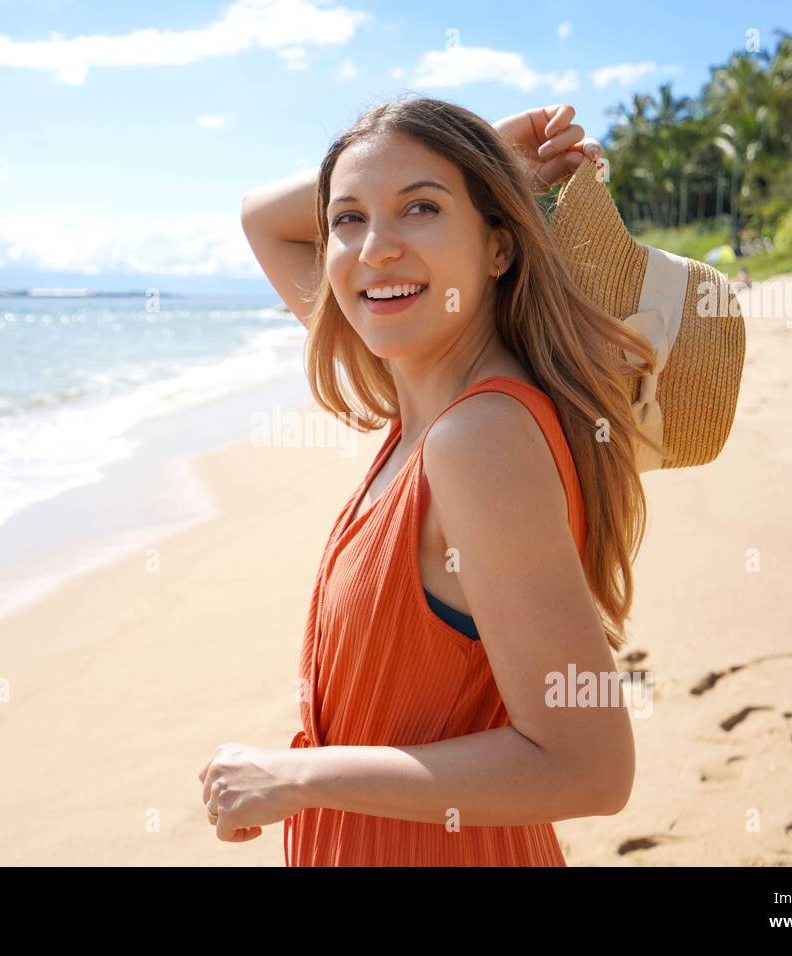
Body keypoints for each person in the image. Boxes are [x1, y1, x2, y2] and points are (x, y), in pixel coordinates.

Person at [212, 98, 643, 866]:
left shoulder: (479, 440)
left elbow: (591, 767)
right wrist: (482, 154)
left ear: (500, 248)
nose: (375, 249)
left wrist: (296, 776)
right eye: (347, 220)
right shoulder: (419, 404)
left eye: (421, 208)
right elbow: (259, 219)